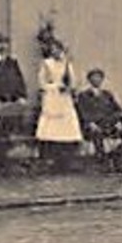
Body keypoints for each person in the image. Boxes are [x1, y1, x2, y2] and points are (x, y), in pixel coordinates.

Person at [34, 38, 83, 169]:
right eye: (53, 49)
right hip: (51, 97)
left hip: (64, 98)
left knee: (66, 125)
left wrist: (69, 87)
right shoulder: (46, 64)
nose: (55, 51)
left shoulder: (66, 64)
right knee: (50, 126)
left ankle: (66, 157)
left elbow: (73, 81)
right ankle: (50, 156)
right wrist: (53, 87)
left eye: (57, 49)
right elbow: (41, 82)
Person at [76, 69, 122, 170]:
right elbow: (82, 112)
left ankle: (115, 156)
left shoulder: (107, 94)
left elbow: (117, 109)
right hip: (92, 126)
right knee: (97, 135)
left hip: (108, 125)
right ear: (89, 79)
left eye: (99, 77)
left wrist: (120, 122)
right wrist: (90, 123)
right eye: (94, 77)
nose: (97, 79)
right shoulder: (83, 95)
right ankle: (102, 161)